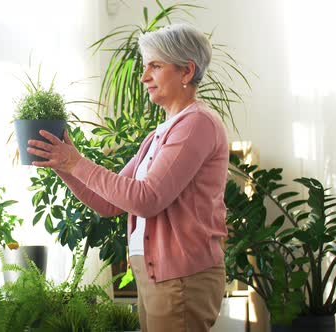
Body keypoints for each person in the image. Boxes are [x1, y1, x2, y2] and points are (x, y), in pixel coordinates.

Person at [27, 23, 228, 332]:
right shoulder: (159, 134)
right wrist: (64, 165)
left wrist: (76, 162)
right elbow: (107, 203)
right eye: (145, 66)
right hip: (157, 273)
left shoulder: (196, 124)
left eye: (156, 66)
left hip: (181, 277)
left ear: (187, 71)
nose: (144, 76)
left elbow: (146, 199)